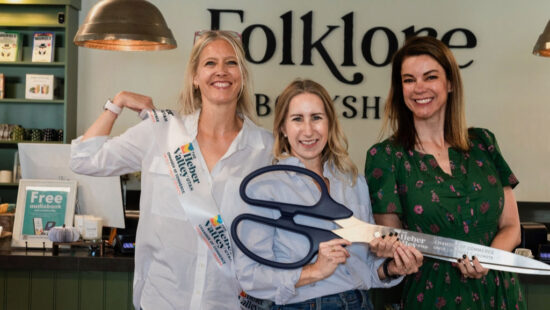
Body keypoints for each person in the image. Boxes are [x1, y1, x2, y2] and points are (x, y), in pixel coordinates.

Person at [70, 30, 273, 310]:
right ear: (195, 77)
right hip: (162, 299)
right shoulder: (161, 133)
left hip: (229, 302)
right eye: (210, 63)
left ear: (242, 76)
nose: (221, 72)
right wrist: (116, 103)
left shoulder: (267, 149)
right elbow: (84, 159)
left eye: (231, 63)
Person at [364, 36, 526, 309]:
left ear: (450, 83)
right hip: (435, 295)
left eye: (430, 77)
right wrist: (388, 252)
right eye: (408, 80)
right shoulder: (386, 156)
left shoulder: (484, 142)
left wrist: (488, 259)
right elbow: (393, 242)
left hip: (501, 292)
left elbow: (512, 227)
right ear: (399, 88)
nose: (419, 88)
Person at [232, 79, 423, 309]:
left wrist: (391, 268)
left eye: (316, 117)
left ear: (330, 123)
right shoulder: (264, 189)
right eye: (297, 119)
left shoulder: (352, 182)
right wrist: (314, 271)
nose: (308, 130)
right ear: (282, 128)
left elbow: (364, 271)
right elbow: (250, 276)